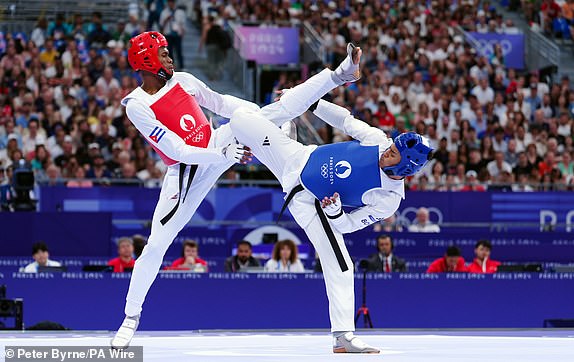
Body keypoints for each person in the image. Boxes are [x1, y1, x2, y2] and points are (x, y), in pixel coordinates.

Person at [227, 44, 433, 353]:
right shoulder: (378, 140)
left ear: (405, 166)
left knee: (342, 264)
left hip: (309, 203)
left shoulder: (389, 198)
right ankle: (222, 146)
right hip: (294, 156)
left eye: (393, 153)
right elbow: (347, 122)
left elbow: (348, 226)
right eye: (391, 146)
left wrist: (335, 211)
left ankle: (343, 337)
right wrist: (311, 103)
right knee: (242, 117)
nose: (387, 149)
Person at [111, 31, 259, 349]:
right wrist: (221, 157)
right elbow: (178, 151)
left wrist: (254, 112)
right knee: (155, 247)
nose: (170, 58)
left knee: (254, 116)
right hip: (186, 173)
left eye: (168, 52)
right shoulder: (137, 105)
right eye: (163, 54)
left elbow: (220, 103)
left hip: (215, 144)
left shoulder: (185, 80)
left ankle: (331, 81)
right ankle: (130, 318)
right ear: (147, 61)